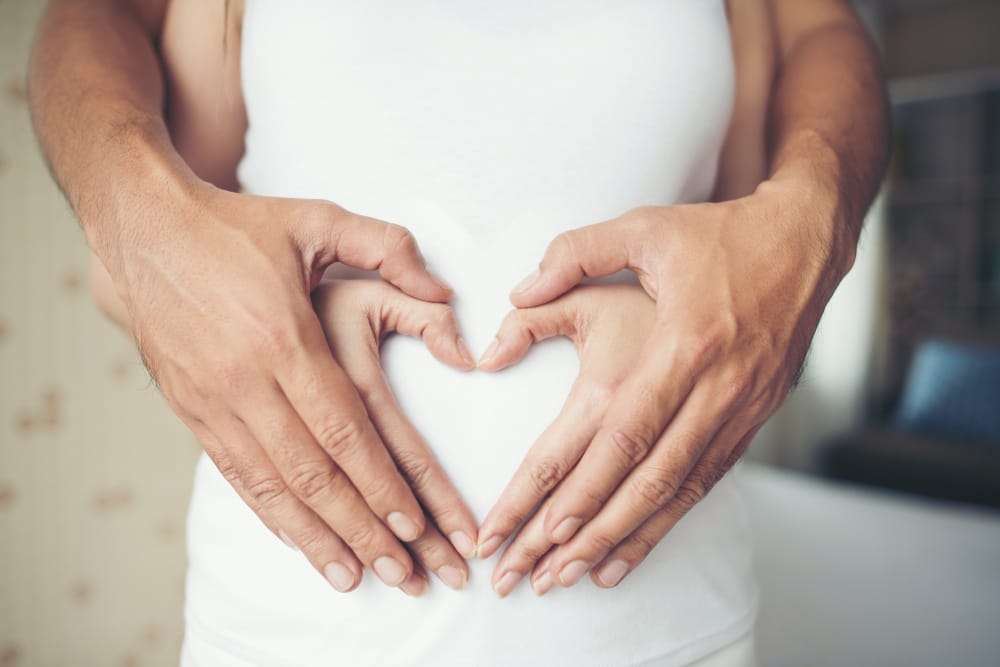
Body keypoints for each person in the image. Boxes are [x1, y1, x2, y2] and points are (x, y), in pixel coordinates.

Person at [29, 0, 889, 664]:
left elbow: (772, 149)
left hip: (670, 630)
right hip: (286, 636)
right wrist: (261, 297)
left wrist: (806, 220)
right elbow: (146, 264)